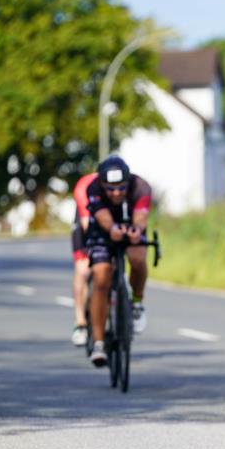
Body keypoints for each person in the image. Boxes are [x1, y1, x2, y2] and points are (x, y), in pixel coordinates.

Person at [83, 156, 152, 367]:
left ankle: (137, 303)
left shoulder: (141, 186)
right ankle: (99, 343)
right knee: (101, 276)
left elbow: (141, 215)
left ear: (128, 182)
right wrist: (112, 228)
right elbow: (103, 216)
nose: (116, 193)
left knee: (138, 258)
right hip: (103, 230)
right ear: (102, 184)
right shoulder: (93, 187)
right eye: (110, 189)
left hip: (130, 225)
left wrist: (137, 230)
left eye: (121, 188)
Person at [69, 172, 94, 346]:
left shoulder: (126, 188)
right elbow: (87, 224)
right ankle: (80, 322)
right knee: (84, 270)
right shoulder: (84, 187)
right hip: (86, 222)